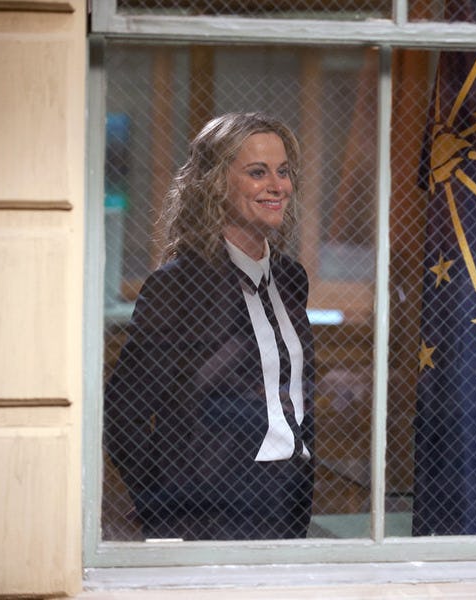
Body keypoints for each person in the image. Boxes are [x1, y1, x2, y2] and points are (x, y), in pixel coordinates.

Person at [104, 112, 315, 541]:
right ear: (217, 184)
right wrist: (162, 504)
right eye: (258, 172)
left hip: (285, 506)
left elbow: (294, 397)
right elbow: (123, 412)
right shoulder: (177, 286)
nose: (277, 186)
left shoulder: (291, 278)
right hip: (206, 517)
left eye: (283, 172)